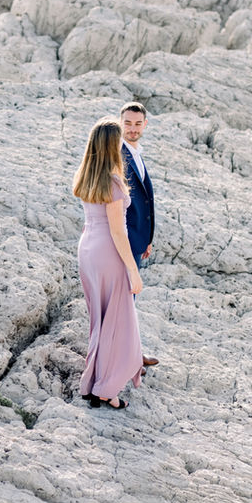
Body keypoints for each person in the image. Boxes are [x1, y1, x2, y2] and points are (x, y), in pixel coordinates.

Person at [73, 118, 143, 410]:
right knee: (119, 322)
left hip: (88, 249)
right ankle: (107, 389)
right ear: (112, 147)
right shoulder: (114, 183)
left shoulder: (87, 177)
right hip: (108, 252)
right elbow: (118, 231)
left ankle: (93, 383)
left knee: (99, 322)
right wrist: (132, 269)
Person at [120, 102, 159, 369]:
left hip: (137, 240)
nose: (133, 129)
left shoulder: (136, 152)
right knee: (124, 301)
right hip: (123, 240)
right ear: (120, 123)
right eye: (128, 123)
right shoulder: (118, 155)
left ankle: (132, 353)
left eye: (137, 124)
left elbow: (144, 200)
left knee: (129, 301)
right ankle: (125, 359)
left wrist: (147, 238)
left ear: (145, 125)